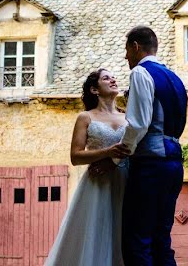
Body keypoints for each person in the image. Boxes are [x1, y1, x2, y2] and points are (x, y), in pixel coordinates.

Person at [93, 25, 188, 265]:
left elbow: (137, 124)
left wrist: (115, 158)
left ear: (135, 47)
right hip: (174, 163)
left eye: (127, 51)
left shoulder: (140, 73)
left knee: (137, 240)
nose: (126, 58)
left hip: (150, 164)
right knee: (161, 240)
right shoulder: (174, 78)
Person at [45, 68, 132, 266]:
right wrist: (107, 152)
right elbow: (76, 156)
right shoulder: (85, 117)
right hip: (97, 185)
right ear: (94, 90)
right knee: (96, 234)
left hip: (126, 180)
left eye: (113, 77)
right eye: (106, 78)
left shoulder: (128, 117)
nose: (113, 80)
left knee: (123, 235)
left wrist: (113, 160)